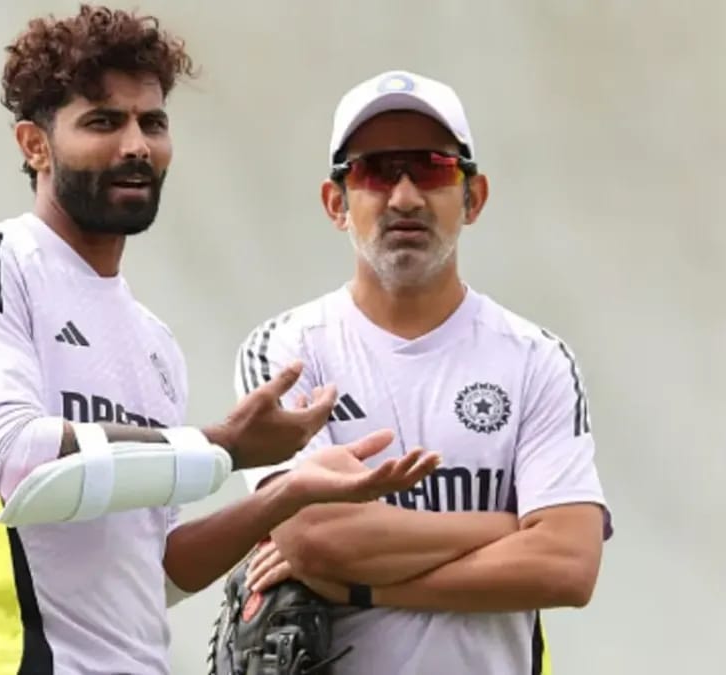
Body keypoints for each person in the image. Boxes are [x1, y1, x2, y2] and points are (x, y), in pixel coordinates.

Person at [0, 9, 440, 675]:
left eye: (152, 123)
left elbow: (150, 574)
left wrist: (287, 494)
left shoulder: (154, 343)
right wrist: (224, 445)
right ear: (34, 144)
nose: (137, 146)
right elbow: (15, 456)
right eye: (103, 122)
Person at [232, 69, 614, 674]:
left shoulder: (534, 358)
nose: (405, 197)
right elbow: (313, 539)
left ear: (474, 197)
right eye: (376, 172)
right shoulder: (286, 351)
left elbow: (567, 565)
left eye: (432, 169)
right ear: (336, 203)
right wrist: (511, 527)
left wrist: (363, 587)